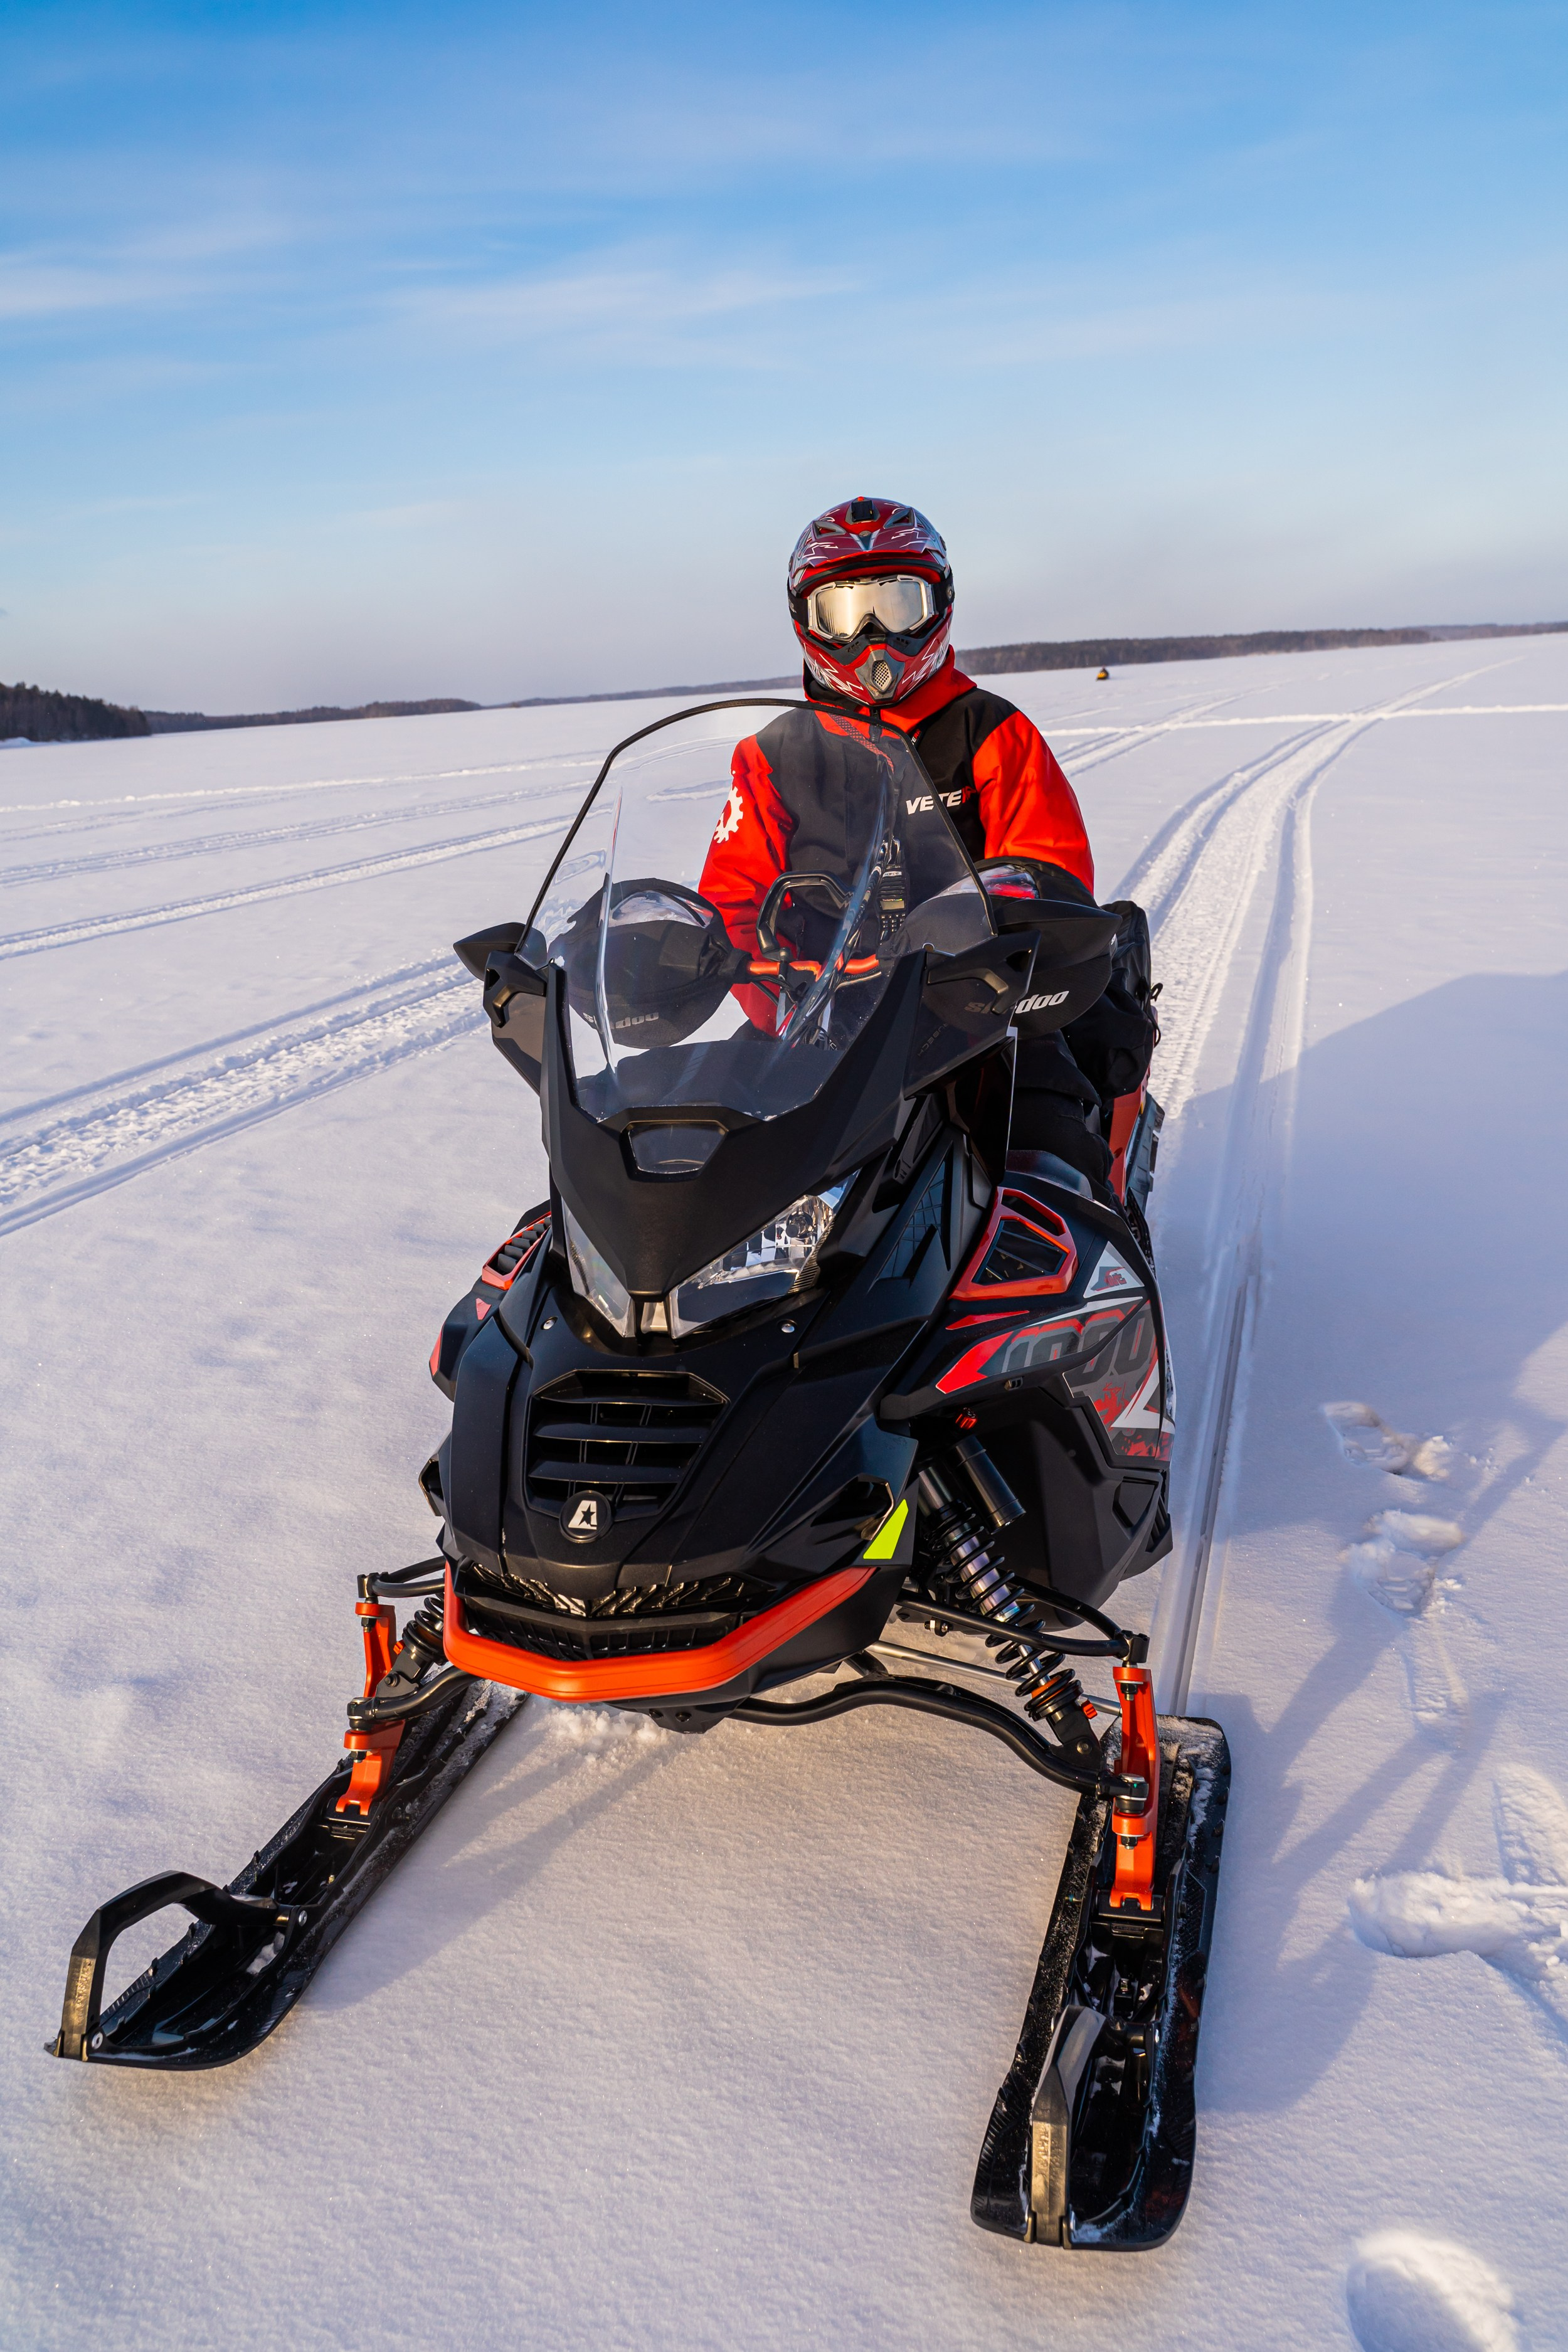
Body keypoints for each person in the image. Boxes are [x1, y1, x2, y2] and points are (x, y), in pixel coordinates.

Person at [699, 495, 1153, 1195]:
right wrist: (771, 998)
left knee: (1049, 1155)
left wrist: (1000, 952)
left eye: (896, 605)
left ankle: (1087, 1237)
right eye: (844, 613)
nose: (872, 636)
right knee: (701, 1154)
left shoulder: (991, 732)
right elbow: (731, 898)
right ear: (806, 621)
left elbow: (1050, 874)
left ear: (937, 604)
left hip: (979, 1014)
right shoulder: (771, 756)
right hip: (818, 1017)